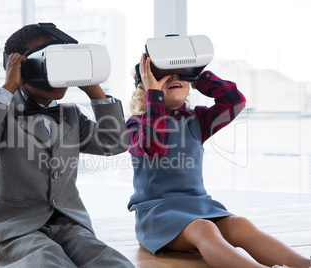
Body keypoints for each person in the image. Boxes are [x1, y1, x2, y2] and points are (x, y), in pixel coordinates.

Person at [0, 23, 134, 268]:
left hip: (69, 223)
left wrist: (96, 93)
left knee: (110, 262)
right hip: (17, 226)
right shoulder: (1, 112)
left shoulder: (72, 115)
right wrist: (8, 87)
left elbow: (115, 143)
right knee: (48, 260)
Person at [126, 53, 311, 268]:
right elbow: (153, 147)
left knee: (241, 224)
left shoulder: (197, 120)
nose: (173, 77)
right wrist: (154, 95)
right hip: (158, 213)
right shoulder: (136, 125)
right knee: (204, 229)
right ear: (146, 90)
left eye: (179, 75)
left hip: (199, 206)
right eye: (163, 76)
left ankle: (304, 264)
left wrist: (199, 77)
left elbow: (234, 102)